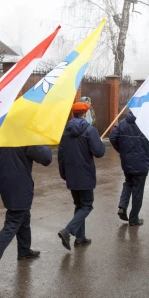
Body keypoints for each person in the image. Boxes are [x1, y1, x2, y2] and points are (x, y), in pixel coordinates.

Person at [0, 144, 52, 281]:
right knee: (13, 222)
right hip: (21, 186)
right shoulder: (24, 136)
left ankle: (24, 250)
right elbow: (46, 158)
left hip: (6, 185)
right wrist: (41, 140)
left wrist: (2, 183)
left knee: (23, 215)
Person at [57, 102, 106, 250]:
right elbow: (99, 152)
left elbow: (60, 156)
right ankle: (67, 231)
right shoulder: (90, 131)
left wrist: (64, 174)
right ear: (85, 114)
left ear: (73, 114)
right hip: (85, 174)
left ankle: (80, 238)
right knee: (87, 205)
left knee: (79, 205)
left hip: (71, 175)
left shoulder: (64, 131)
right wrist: (100, 144)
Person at [110, 110, 149, 225]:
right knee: (138, 190)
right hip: (141, 162)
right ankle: (134, 219)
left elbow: (113, 137)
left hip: (127, 161)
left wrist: (122, 151)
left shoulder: (122, 123)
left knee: (128, 183)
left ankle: (122, 206)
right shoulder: (145, 124)